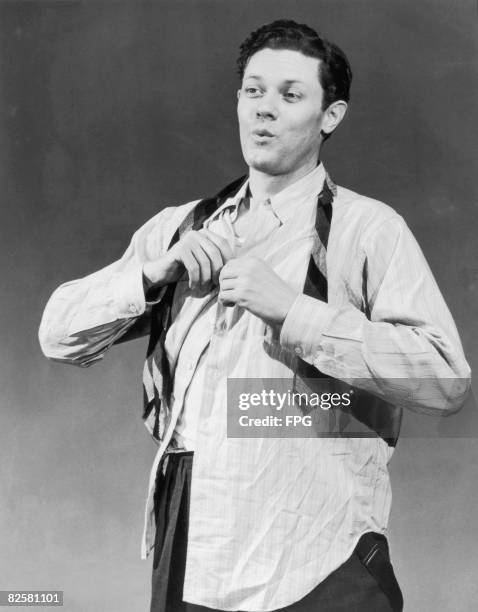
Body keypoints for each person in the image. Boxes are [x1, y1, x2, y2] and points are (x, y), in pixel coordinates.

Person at [39, 19, 471, 612]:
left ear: (331, 116)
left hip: (321, 552)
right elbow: (58, 336)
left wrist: (295, 311)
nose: (265, 109)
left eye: (291, 95)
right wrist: (150, 275)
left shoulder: (369, 231)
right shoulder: (183, 228)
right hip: (194, 541)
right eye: (253, 90)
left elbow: (445, 378)